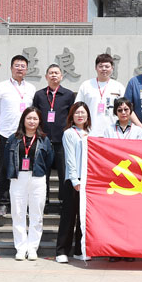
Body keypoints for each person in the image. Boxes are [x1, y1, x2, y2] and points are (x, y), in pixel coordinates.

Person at [0, 54, 36, 220]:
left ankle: (23, 202)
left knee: (25, 170)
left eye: (23, 66)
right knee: (5, 169)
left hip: (26, 135)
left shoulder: (31, 88)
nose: (20, 69)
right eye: (17, 65)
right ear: (11, 68)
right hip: (6, 134)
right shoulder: (1, 87)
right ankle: (3, 202)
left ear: (27, 69)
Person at [5, 106, 54, 260]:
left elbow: (49, 160)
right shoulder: (14, 138)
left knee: (36, 214)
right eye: (29, 118)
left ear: (39, 121)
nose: (32, 121)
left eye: (35, 118)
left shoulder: (44, 139)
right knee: (18, 213)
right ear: (23, 120)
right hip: (18, 178)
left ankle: (32, 248)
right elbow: (6, 159)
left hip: (37, 178)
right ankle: (20, 248)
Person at [98, 96, 142, 263]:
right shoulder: (108, 130)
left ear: (131, 111)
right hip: (114, 177)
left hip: (132, 178)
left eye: (126, 109)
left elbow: (140, 153)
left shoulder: (137, 131)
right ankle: (115, 250)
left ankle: (130, 250)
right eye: (120, 110)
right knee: (114, 216)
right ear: (115, 112)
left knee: (130, 216)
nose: (123, 112)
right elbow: (107, 151)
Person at [32, 64, 75, 202]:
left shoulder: (68, 95)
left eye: (56, 73)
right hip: (43, 140)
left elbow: (72, 117)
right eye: (51, 73)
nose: (54, 75)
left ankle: (63, 202)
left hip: (62, 141)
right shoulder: (39, 95)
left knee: (64, 173)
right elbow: (34, 116)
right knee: (43, 173)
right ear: (46, 76)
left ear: (61, 76)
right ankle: (43, 200)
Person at [55, 102, 91, 263]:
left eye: (83, 112)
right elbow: (69, 158)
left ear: (88, 115)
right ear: (72, 116)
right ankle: (62, 250)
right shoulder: (69, 133)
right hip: (73, 180)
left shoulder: (91, 133)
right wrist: (75, 180)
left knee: (84, 216)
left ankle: (79, 250)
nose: (80, 115)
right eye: (77, 113)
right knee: (69, 216)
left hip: (88, 180)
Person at [76, 53, 125, 136]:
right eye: (101, 66)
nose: (104, 69)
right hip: (90, 132)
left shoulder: (118, 87)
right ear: (95, 68)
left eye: (107, 66)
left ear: (112, 68)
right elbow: (77, 108)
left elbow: (125, 110)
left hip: (114, 133)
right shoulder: (86, 85)